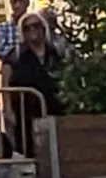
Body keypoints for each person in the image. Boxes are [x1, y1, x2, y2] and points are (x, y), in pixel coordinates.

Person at [5, 11, 64, 143]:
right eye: (27, 28)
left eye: (36, 25)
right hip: (25, 112)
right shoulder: (17, 54)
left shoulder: (55, 53)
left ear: (43, 28)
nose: (32, 30)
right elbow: (6, 81)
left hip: (54, 108)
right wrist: (7, 109)